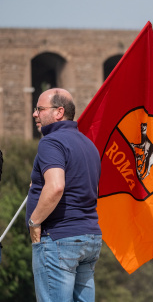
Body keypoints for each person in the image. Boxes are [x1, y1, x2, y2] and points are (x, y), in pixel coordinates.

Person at [26, 88, 102, 302]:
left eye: (40, 109)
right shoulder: (88, 144)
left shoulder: (51, 142)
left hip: (59, 239)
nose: (35, 114)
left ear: (59, 112)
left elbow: (56, 186)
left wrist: (34, 222)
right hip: (89, 238)